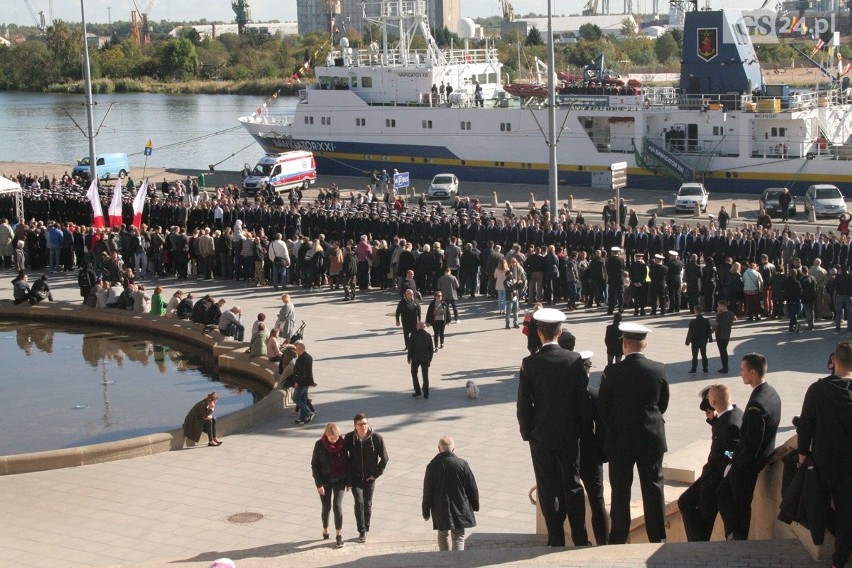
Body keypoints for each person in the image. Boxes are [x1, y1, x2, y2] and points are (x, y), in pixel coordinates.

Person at [517, 308, 590, 547]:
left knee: (547, 487)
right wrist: (582, 430)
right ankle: (580, 537)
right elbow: (583, 401)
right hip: (569, 433)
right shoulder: (575, 360)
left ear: (539, 333)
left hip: (541, 434)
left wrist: (527, 432)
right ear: (560, 332)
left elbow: (524, 404)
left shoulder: (530, 363)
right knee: (572, 483)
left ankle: (555, 537)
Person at [599, 322, 669, 544]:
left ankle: (618, 538)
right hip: (651, 438)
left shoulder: (612, 371)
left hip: (621, 440)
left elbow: (603, 408)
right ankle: (657, 537)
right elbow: (663, 404)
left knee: (620, 491)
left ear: (624, 345)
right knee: (654, 488)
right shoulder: (659, 368)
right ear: (644, 344)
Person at [797, 342, 852, 568]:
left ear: (834, 361)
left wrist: (802, 454)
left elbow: (805, 426)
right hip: (850, 465)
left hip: (824, 463)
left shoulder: (818, 390)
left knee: (814, 506)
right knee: (847, 511)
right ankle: (840, 559)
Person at [717, 353, 781, 540]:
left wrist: (737, 464)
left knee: (736, 502)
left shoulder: (756, 404)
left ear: (753, 372)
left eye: (743, 370)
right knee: (732, 498)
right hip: (757, 458)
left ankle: (737, 538)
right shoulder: (770, 393)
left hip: (748, 465)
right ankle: (736, 535)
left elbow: (752, 442)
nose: (740, 373)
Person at [678, 384, 743, 541]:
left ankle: (697, 547)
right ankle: (697, 543)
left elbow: (731, 452)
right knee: (685, 501)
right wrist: (714, 422)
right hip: (709, 477)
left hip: (714, 480)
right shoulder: (733, 413)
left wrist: (721, 473)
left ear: (713, 402)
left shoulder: (730, 424)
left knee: (703, 522)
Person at [422, 436, 479, 552]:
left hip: (440, 507)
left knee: (442, 534)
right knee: (458, 536)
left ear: (438, 448)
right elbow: (472, 487)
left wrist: (426, 511)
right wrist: (475, 505)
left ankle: (445, 560)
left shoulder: (432, 466)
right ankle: (457, 562)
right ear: (454, 449)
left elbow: (428, 491)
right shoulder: (462, 464)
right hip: (460, 506)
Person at [344, 413, 390, 543]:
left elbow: (385, 458)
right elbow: (344, 458)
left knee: (367, 504)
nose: (363, 426)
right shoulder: (349, 438)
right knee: (359, 502)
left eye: (365, 423)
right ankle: (362, 531)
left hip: (370, 478)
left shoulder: (376, 438)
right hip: (355, 477)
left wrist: (376, 474)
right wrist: (348, 479)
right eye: (360, 424)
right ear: (355, 426)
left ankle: (366, 527)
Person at [311, 423, 348, 548]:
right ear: (326, 435)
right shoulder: (319, 445)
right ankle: (325, 529)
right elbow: (314, 465)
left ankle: (339, 535)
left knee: (337, 505)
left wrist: (349, 482)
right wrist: (318, 484)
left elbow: (348, 463)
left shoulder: (343, 444)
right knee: (326, 507)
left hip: (340, 479)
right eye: (331, 438)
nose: (334, 440)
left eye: (336, 437)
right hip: (325, 480)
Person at [293, 341, 317, 424]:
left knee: (295, 398)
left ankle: (308, 412)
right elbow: (309, 371)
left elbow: (302, 373)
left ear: (300, 349)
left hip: (301, 383)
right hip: (307, 382)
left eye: (297, 349)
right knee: (303, 399)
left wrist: (297, 382)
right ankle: (302, 418)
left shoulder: (301, 359)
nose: (296, 351)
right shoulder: (309, 357)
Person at [407, 321, 433, 398]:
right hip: (425, 358)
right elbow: (431, 349)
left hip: (415, 358)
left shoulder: (413, 335)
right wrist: (430, 359)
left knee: (414, 374)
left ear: (418, 327)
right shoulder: (428, 335)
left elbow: (410, 347)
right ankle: (426, 392)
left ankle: (417, 391)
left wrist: (409, 357)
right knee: (425, 375)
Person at [686, 305, 712, 374]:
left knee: (694, 356)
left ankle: (694, 369)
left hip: (695, 341)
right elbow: (708, 331)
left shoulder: (693, 321)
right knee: (704, 354)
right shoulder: (706, 321)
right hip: (703, 340)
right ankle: (705, 369)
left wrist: (687, 341)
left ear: (695, 311)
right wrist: (710, 339)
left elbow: (690, 332)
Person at [714, 300, 736, 373]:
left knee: (722, 352)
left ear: (723, 306)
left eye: (719, 306)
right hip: (727, 334)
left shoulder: (720, 315)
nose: (718, 307)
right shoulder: (731, 313)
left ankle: (725, 368)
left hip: (720, 335)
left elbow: (716, 325)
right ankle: (725, 366)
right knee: (724, 350)